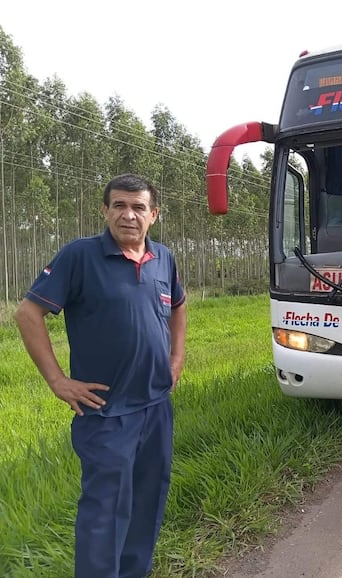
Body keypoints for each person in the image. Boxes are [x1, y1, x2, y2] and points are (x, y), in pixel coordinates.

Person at [15, 173, 187, 577]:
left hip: (156, 407)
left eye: (138, 207)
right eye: (119, 206)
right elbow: (28, 314)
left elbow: (178, 306)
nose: (129, 215)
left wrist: (176, 358)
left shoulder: (164, 258)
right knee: (104, 516)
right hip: (106, 413)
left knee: (147, 506)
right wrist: (58, 381)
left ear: (154, 214)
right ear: (105, 211)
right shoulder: (80, 256)